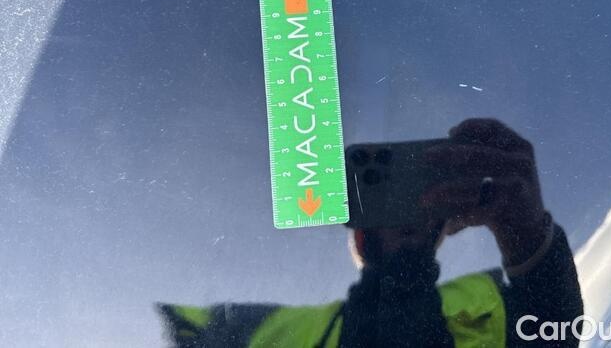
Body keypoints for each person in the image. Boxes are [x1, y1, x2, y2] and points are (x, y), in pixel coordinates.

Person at [158, 118, 583, 347]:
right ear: (362, 238)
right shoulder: (265, 328)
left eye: (418, 197)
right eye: (386, 201)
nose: (409, 213)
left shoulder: (485, 301)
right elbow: (183, 328)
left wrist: (531, 241)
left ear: (440, 226)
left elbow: (554, 336)